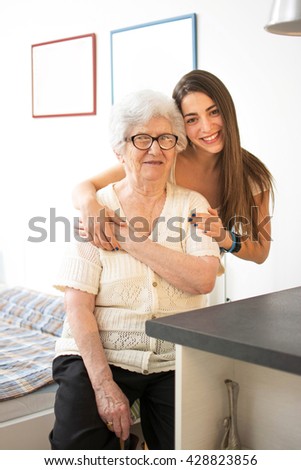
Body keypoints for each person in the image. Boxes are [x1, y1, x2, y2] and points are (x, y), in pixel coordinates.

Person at [50, 89, 220, 450]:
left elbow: (203, 278)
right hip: (101, 354)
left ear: (176, 148)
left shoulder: (192, 205)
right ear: (119, 151)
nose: (155, 149)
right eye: (141, 139)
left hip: (172, 358)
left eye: (165, 139)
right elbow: (77, 306)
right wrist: (103, 385)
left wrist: (126, 237)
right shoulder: (97, 211)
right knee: (74, 448)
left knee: (189, 449)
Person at [72, 70, 274, 264]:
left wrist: (224, 238)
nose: (206, 127)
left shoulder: (251, 175)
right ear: (181, 125)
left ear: (227, 111)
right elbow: (84, 187)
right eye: (192, 119)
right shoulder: (164, 159)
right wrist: (90, 206)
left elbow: (260, 251)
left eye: (214, 112)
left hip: (198, 278)